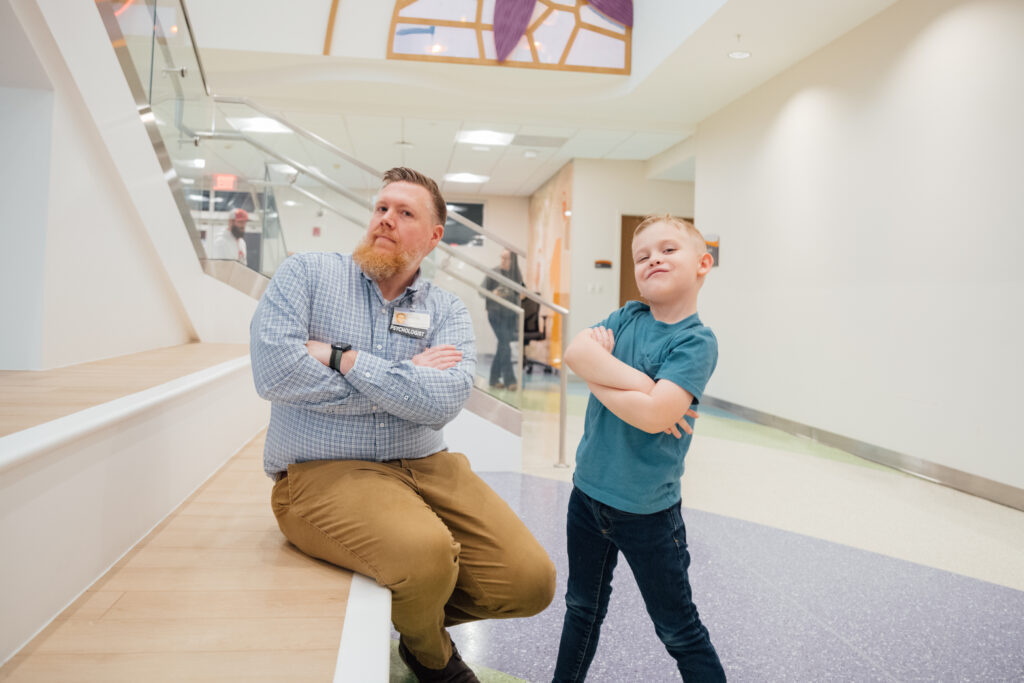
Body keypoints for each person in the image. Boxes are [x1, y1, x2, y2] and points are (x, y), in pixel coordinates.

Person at [250, 167, 555, 683]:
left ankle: (417, 612)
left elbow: (443, 401)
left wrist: (345, 359)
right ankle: (429, 654)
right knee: (426, 554)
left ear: (435, 237)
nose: (385, 220)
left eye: (405, 213)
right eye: (382, 208)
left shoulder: (445, 309)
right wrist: (402, 384)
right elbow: (276, 373)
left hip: (428, 465)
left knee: (530, 581)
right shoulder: (307, 274)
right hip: (322, 470)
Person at [553, 214, 724, 682]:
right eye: (642, 256)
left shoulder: (695, 341)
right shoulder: (628, 315)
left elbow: (654, 417)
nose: (654, 260)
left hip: (648, 513)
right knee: (580, 609)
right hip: (586, 496)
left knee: (677, 630)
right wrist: (646, 386)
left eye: (668, 250)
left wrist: (601, 374)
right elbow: (574, 354)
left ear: (702, 263)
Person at [482, 248, 524, 390]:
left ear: (513, 261)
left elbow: (519, 292)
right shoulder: (493, 273)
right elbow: (481, 291)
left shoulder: (516, 275)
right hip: (495, 314)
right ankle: (510, 380)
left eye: (506, 258)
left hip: (510, 315)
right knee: (504, 344)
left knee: (502, 345)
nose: (502, 261)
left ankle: (494, 379)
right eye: (501, 258)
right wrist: (493, 293)